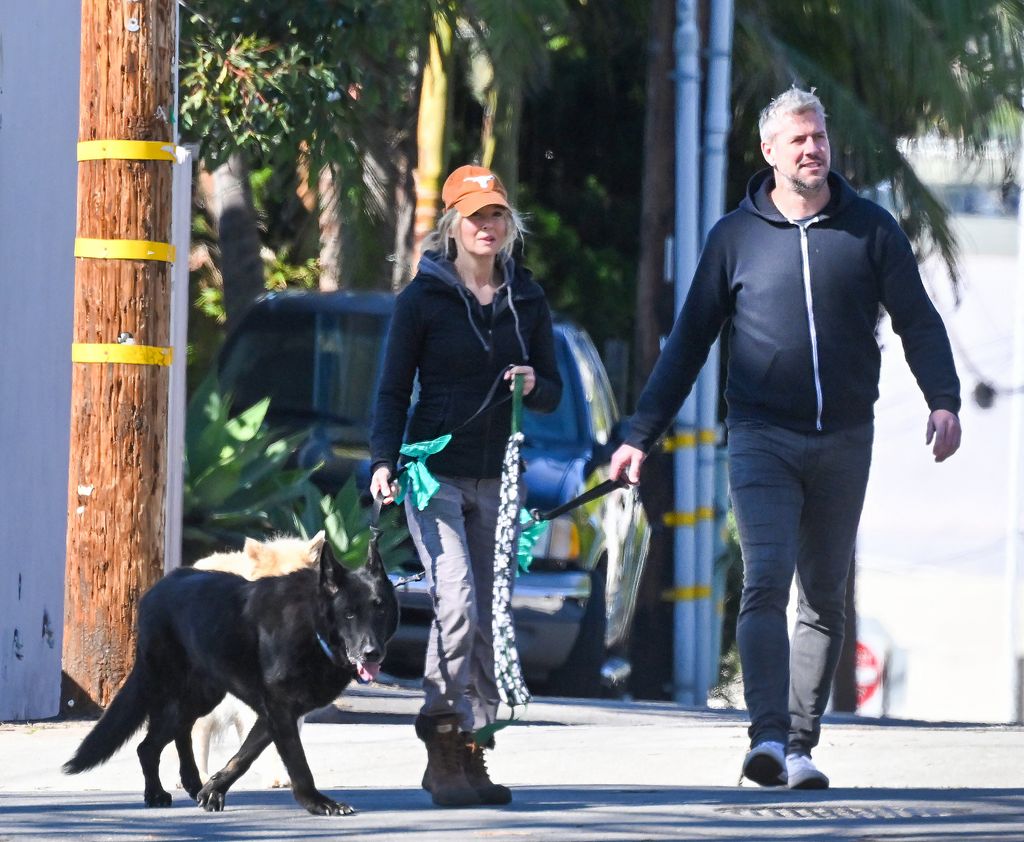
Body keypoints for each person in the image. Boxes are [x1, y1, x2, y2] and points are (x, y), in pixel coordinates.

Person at [610, 87, 962, 790]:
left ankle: (800, 745)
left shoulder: (870, 229)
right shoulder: (733, 239)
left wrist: (944, 401)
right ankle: (766, 737)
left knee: (824, 596)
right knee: (766, 581)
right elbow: (686, 347)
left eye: (820, 138)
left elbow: (917, 320)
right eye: (798, 139)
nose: (813, 149)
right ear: (770, 152)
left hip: (844, 439)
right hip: (761, 437)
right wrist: (639, 434)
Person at [369, 164, 562, 807]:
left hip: (499, 482)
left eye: (497, 215)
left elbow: (553, 390)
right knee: (454, 601)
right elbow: (393, 391)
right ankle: (441, 739)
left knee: (489, 614)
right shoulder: (421, 300)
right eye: (476, 215)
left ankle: (473, 753)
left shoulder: (527, 298)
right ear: (454, 222)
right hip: (433, 475)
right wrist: (381, 462)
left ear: (510, 225)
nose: (488, 226)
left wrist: (533, 384)